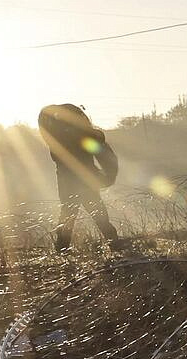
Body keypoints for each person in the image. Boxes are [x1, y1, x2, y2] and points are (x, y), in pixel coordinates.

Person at [37, 103, 123, 251]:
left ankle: (62, 251)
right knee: (97, 215)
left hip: (69, 180)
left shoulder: (57, 137)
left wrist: (107, 176)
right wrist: (108, 177)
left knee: (69, 215)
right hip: (84, 179)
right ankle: (115, 247)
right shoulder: (85, 137)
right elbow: (107, 158)